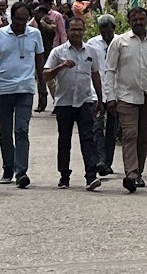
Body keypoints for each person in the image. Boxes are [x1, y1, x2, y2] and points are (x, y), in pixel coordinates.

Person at [103, 5, 147, 193]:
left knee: (143, 138)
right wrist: (110, 97)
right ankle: (131, 174)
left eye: (141, 19)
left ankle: (139, 174)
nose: (138, 22)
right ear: (128, 22)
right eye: (134, 19)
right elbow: (109, 70)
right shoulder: (120, 42)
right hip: (126, 96)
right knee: (130, 134)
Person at [0, 2, 44, 187]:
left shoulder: (35, 34)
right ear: (11, 17)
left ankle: (21, 171)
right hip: (3, 88)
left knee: (22, 130)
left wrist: (42, 89)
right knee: (5, 131)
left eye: (25, 20)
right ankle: (8, 167)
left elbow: (40, 63)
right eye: (18, 19)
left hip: (25, 88)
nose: (21, 23)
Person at [45, 15, 106, 190]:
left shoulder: (90, 51)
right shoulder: (58, 52)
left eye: (80, 29)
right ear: (67, 31)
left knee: (88, 139)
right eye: (73, 29)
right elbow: (45, 75)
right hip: (64, 103)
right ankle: (64, 175)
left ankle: (91, 176)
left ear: (84, 31)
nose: (77, 33)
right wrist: (61, 66)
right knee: (64, 140)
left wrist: (100, 100)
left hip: (85, 101)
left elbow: (95, 75)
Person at [83, 14, 119, 176]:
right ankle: (99, 160)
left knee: (112, 128)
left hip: (116, 91)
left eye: (108, 30)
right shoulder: (92, 44)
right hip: (96, 91)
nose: (105, 34)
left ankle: (108, 161)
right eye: (102, 31)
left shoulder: (121, 42)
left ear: (114, 28)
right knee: (97, 127)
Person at [33, 0, 66, 112]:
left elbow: (57, 31)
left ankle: (57, 102)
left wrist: (43, 23)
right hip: (39, 54)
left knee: (51, 80)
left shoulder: (51, 22)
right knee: (40, 79)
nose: (35, 15)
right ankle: (41, 103)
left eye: (37, 13)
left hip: (50, 52)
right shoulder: (34, 23)